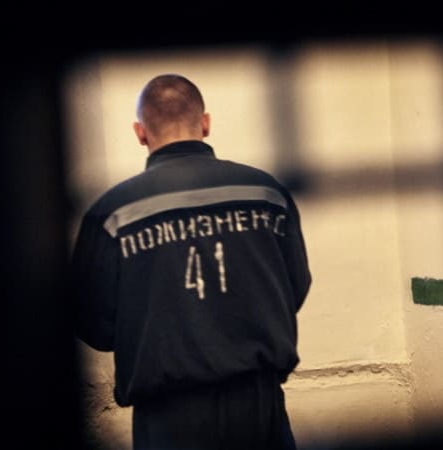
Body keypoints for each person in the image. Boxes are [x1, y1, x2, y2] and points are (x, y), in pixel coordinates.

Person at [70, 73, 311, 450]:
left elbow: (91, 323)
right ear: (205, 123)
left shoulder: (113, 212)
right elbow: (295, 287)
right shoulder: (266, 194)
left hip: (168, 416)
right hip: (258, 404)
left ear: (140, 132)